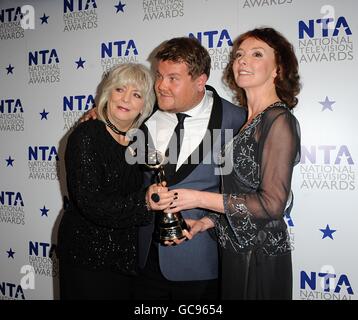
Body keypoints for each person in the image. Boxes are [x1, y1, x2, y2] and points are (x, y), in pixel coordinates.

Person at [154, 28, 301, 300]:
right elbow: (242, 191)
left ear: (277, 69)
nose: (243, 61)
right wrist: (206, 223)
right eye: (239, 55)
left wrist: (196, 198)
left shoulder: (278, 120)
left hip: (259, 257)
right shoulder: (246, 121)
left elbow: (271, 204)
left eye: (257, 54)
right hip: (233, 251)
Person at [137, 37, 247, 300]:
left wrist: (209, 221)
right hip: (144, 262)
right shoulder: (142, 114)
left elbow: (252, 197)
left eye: (173, 78)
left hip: (202, 263)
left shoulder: (237, 120)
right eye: (159, 76)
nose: (161, 86)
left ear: (200, 81)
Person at [57, 63, 155, 300]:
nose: (126, 99)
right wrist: (146, 204)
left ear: (145, 104)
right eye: (120, 89)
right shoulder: (87, 134)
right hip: (88, 257)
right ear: (108, 92)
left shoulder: (140, 139)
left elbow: (181, 97)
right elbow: (91, 202)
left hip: (126, 259)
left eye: (136, 94)